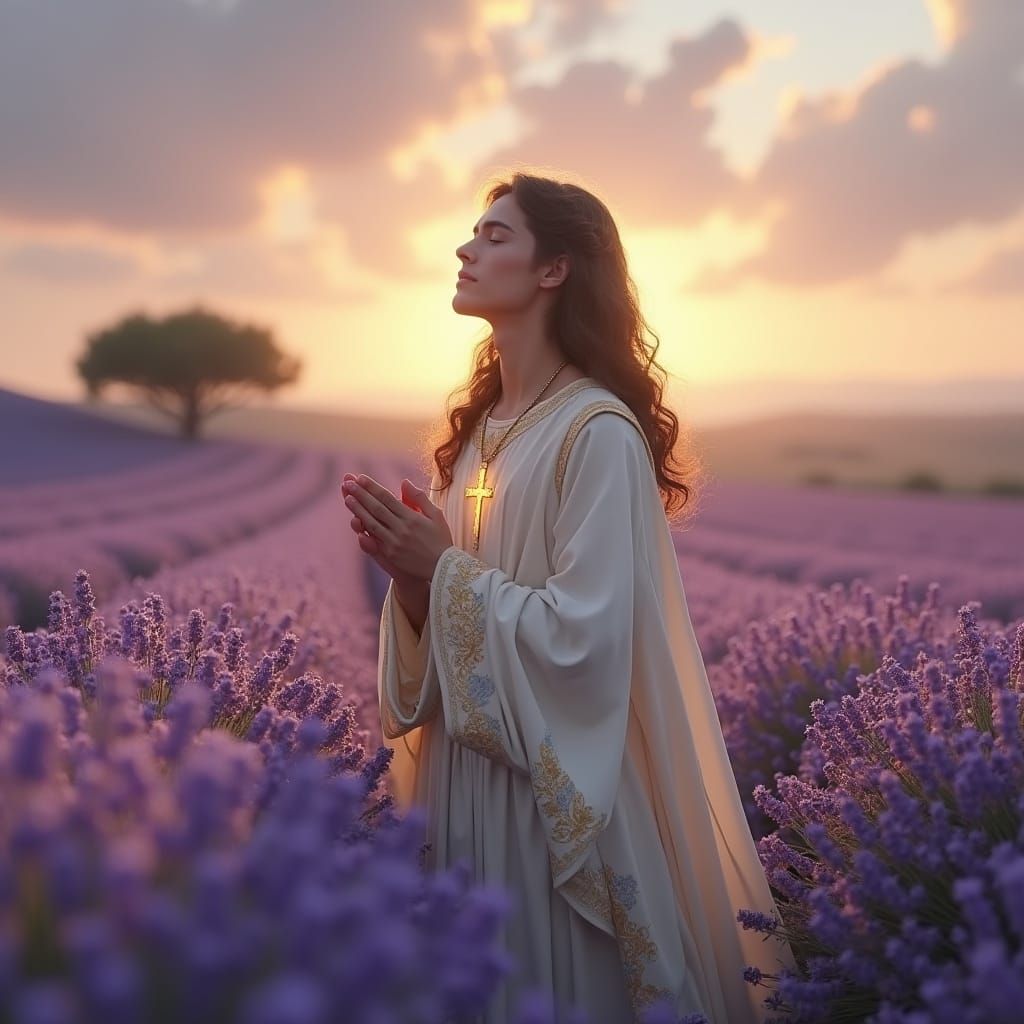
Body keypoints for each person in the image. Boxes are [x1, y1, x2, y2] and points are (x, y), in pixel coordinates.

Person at [341, 172, 796, 1024]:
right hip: (465, 790)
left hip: (551, 809)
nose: (465, 247)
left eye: (495, 234)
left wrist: (444, 572)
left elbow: (585, 646)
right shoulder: (478, 440)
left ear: (554, 270)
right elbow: (439, 664)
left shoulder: (598, 435)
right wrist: (413, 586)